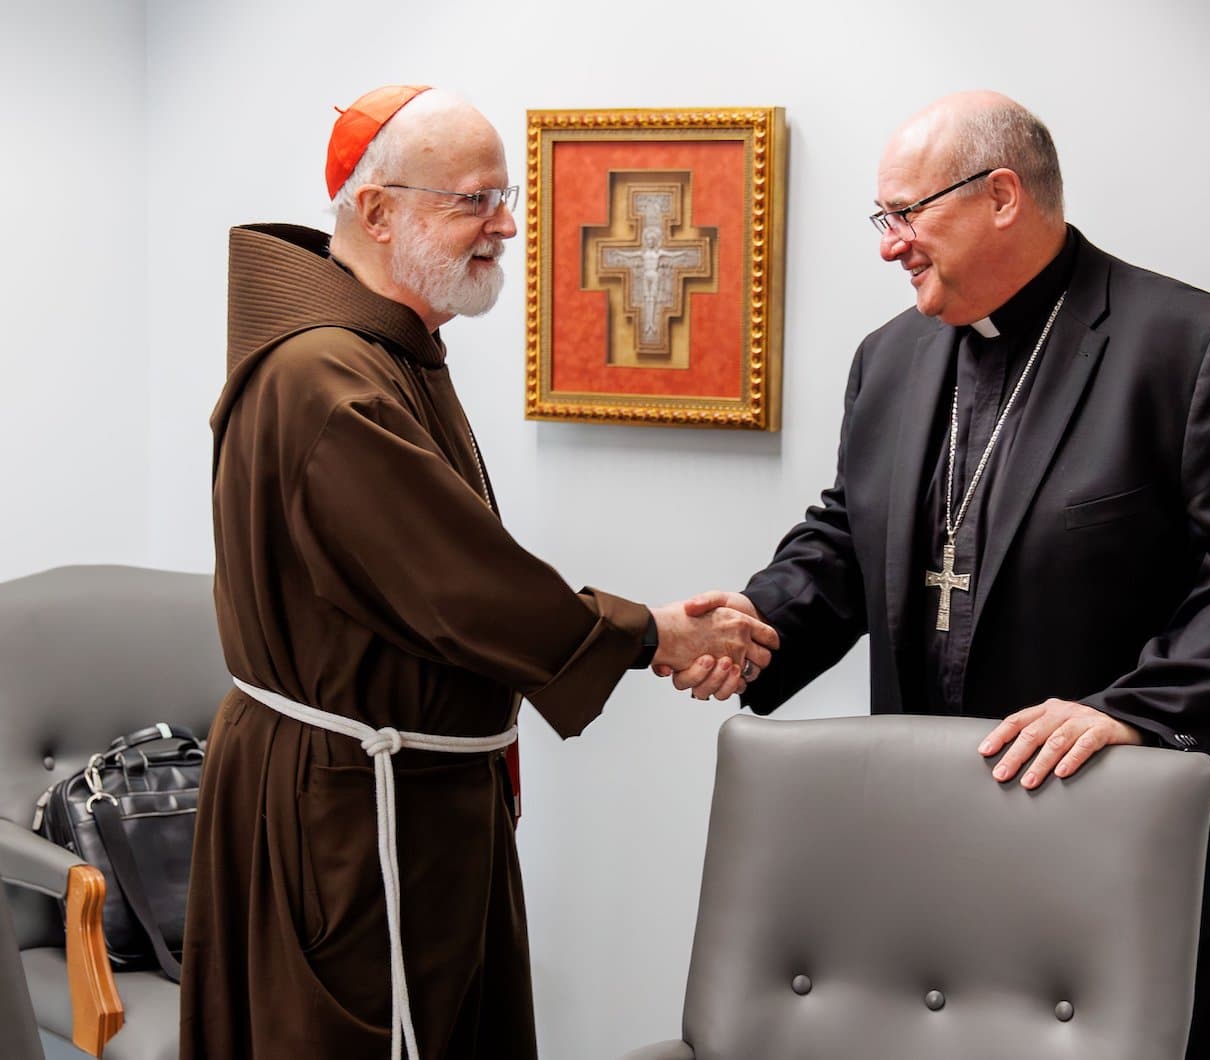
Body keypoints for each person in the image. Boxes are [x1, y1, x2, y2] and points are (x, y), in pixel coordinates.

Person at [667, 91, 1210, 1058]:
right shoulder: (887, 359)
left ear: (1002, 195)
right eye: (880, 219)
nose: (888, 244)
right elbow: (853, 537)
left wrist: (1135, 709)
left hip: (1124, 819)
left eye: (906, 214)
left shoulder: (1187, 346)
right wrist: (757, 623)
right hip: (938, 820)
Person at [180, 85, 777, 1060]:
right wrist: (651, 634)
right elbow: (459, 584)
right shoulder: (325, 377)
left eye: (506, 197)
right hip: (347, 813)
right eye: (472, 200)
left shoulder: (386, 354)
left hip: (413, 792)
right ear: (376, 211)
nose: (505, 225)